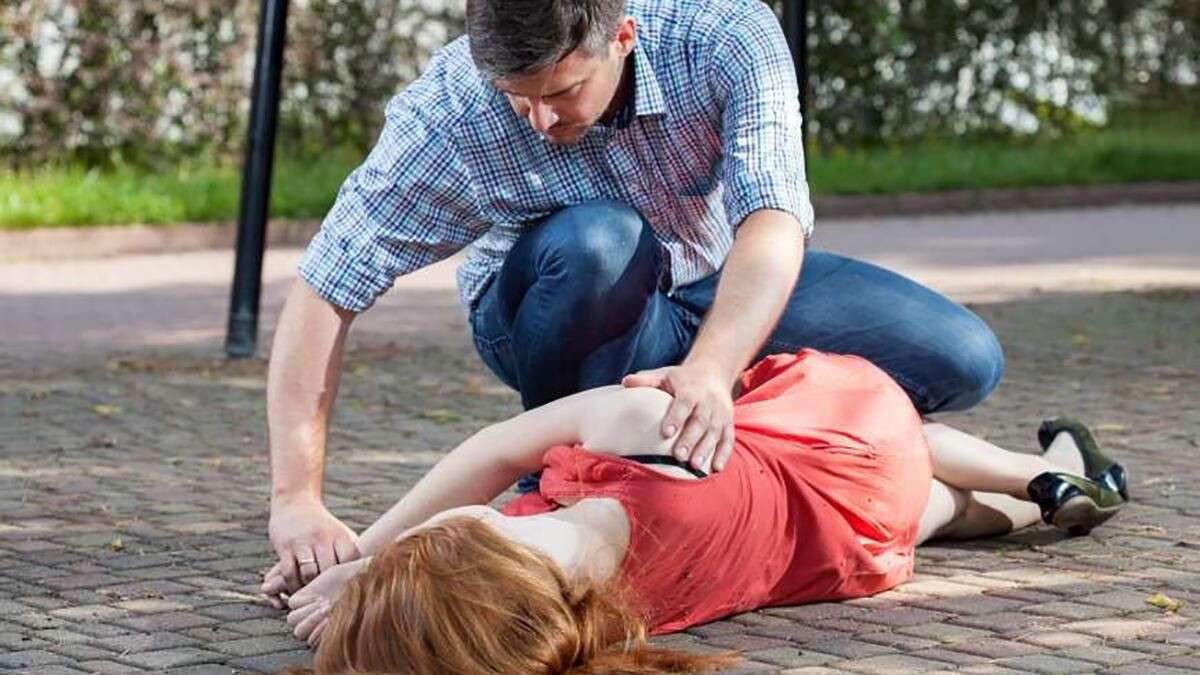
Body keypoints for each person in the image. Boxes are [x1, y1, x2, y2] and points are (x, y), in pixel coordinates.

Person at [266, 0, 1007, 597]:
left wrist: (712, 370)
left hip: (711, 284)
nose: (542, 121)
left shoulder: (724, 34)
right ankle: (561, 477)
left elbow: (773, 217)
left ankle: (718, 406)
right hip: (555, 302)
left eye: (561, 92)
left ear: (623, 36)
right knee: (601, 242)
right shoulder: (449, 112)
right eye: (519, 99)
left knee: (965, 358)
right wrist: (296, 498)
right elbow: (328, 284)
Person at [262, 350, 1128, 674]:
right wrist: (367, 556)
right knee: (898, 438)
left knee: (943, 509)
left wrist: (385, 602)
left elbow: (471, 611)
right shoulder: (636, 429)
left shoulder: (602, 619)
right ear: (487, 538)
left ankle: (1042, 490)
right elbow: (491, 450)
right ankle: (1050, 467)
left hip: (853, 541)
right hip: (843, 441)